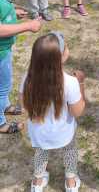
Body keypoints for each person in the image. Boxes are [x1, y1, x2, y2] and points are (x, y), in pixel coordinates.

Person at [18, 33, 86, 191]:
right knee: (70, 150)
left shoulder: (27, 78)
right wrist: (81, 83)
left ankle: (37, 183)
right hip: (64, 133)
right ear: (61, 57)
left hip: (40, 133)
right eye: (66, 47)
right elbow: (77, 112)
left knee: (42, 151)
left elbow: (23, 104)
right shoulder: (70, 82)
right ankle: (70, 184)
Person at [0, 0, 42, 134]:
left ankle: (4, 105)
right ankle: (0, 123)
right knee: (3, 87)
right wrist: (27, 26)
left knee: (4, 84)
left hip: (4, 48)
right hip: (1, 51)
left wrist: (11, 13)